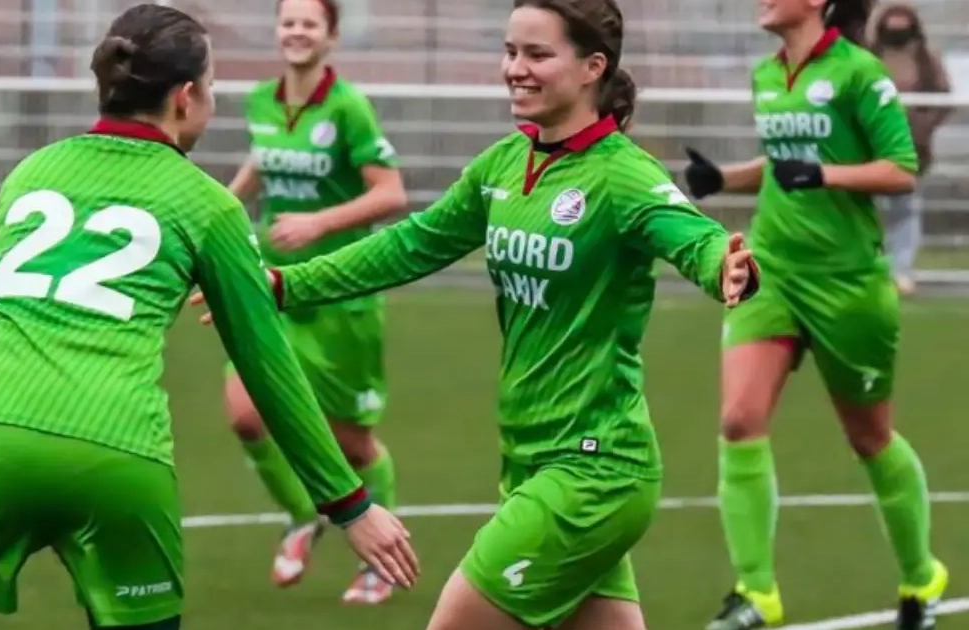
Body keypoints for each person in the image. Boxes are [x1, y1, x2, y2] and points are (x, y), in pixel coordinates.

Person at [195, 0, 759, 627]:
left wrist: (724, 264)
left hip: (593, 470)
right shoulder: (503, 164)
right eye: (511, 51)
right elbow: (408, 246)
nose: (516, 68)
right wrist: (281, 284)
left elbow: (691, 235)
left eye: (538, 54)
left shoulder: (622, 175)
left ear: (592, 67)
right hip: (530, 459)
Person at [0, 5, 418, 630]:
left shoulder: (27, 175)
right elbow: (268, 369)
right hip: (119, 452)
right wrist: (349, 504)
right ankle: (305, 519)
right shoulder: (207, 206)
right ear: (185, 96)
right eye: (213, 86)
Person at [681, 1, 948, 629]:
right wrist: (723, 178)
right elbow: (783, 166)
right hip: (772, 268)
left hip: (847, 284)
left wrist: (824, 173)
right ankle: (757, 594)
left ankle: (921, 575)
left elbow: (900, 170)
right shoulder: (766, 74)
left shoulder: (859, 72)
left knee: (870, 437)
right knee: (739, 420)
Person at [224, 0, 409, 604]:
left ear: (331, 37)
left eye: (310, 23)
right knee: (246, 415)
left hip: (338, 293)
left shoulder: (349, 107)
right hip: (271, 284)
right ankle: (303, 517)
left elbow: (391, 195)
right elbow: (263, 162)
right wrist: (222, 208)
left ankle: (382, 562)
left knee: (351, 445)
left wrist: (318, 223)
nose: (297, 31)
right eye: (288, 22)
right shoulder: (261, 100)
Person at [868, 2, 953, 296]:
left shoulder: (927, 60)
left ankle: (900, 271)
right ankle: (871, 268)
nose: (897, 31)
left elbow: (943, 98)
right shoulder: (868, 59)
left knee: (904, 210)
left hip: (912, 149)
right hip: (871, 148)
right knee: (868, 211)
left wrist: (921, 126)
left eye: (903, 25)